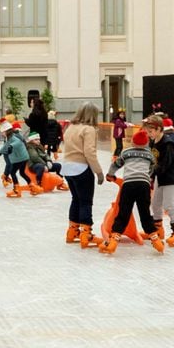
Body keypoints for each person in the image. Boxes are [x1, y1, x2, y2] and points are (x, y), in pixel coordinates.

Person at [99, 130, 164, 253]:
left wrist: (110, 175)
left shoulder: (126, 152)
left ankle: (113, 242)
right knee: (145, 214)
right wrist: (146, 177)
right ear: (146, 143)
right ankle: (156, 241)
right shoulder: (150, 154)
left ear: (132, 142)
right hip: (143, 186)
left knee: (123, 213)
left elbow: (115, 164)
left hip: (128, 185)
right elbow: (152, 170)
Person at [61, 103, 106, 248]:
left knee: (76, 199)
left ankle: (72, 231)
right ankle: (86, 234)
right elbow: (89, 153)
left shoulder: (70, 127)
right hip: (82, 168)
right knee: (86, 202)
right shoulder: (89, 129)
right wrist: (98, 172)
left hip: (67, 168)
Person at [144, 114, 174, 246]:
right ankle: (158, 230)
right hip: (160, 178)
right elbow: (153, 161)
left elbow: (164, 164)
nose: (149, 134)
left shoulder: (168, 144)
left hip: (170, 179)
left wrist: (150, 173)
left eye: (150, 131)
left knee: (169, 206)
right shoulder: (153, 142)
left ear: (158, 129)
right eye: (147, 132)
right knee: (155, 204)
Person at [0, 122, 29, 195]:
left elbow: (17, 142)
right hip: (19, 156)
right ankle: (31, 185)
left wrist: (11, 146)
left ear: (6, 131)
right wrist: (1, 152)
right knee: (21, 172)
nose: (2, 134)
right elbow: (6, 145)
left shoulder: (13, 137)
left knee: (12, 170)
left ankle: (16, 188)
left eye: (2, 132)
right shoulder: (9, 137)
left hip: (18, 157)